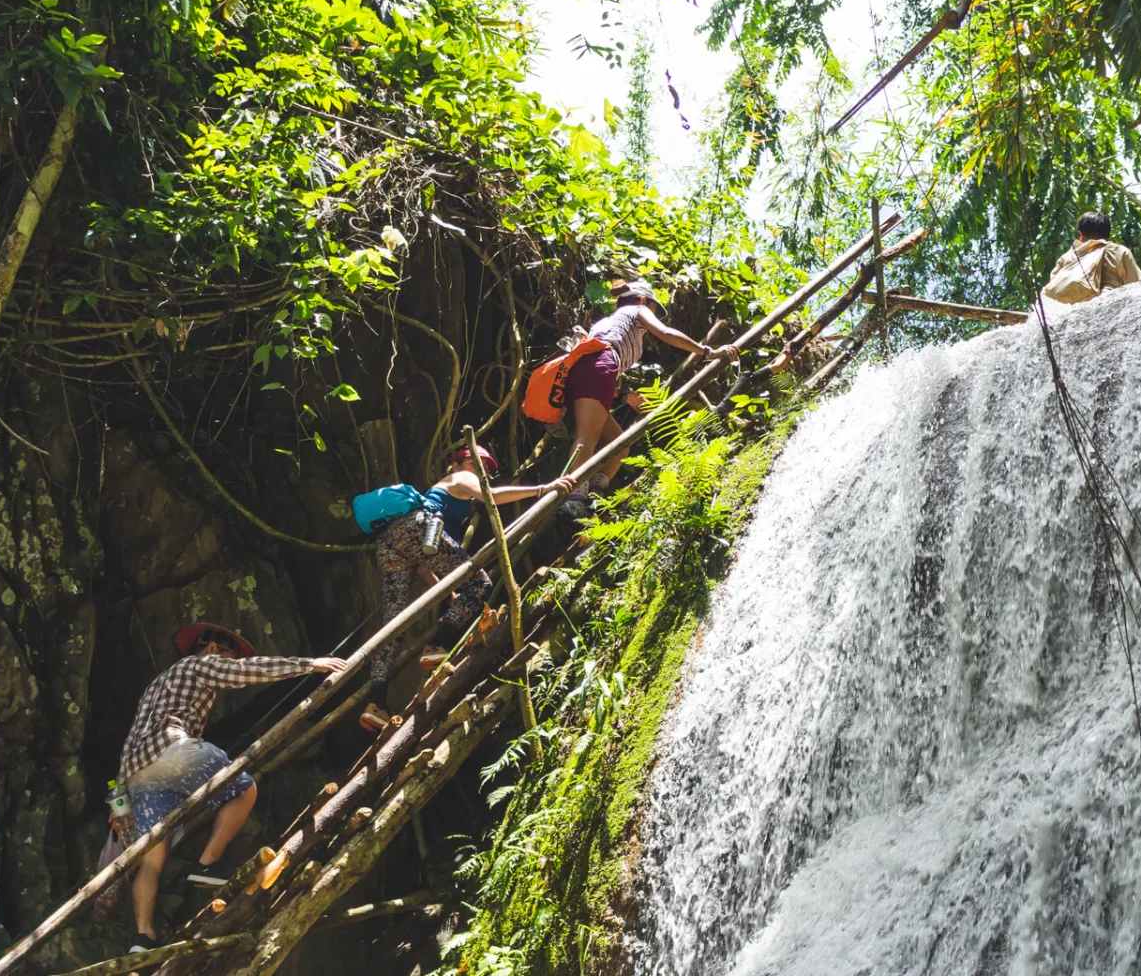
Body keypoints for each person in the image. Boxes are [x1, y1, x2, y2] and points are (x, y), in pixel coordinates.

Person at [118, 623, 347, 952]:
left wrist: (121, 798)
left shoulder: (157, 684)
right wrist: (309, 664)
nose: (228, 658)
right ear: (212, 648)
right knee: (242, 787)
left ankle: (142, 937)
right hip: (172, 750)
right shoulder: (199, 664)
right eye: (226, 652)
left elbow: (130, 743)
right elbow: (247, 670)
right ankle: (206, 865)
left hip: (138, 773)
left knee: (153, 858)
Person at [360, 444, 571, 731]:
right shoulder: (461, 477)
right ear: (462, 462)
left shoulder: (439, 489)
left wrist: (449, 593)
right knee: (480, 583)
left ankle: (377, 704)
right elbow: (492, 497)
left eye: (489, 469)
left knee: (395, 622)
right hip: (419, 528)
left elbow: (422, 565)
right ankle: (438, 645)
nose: (485, 472)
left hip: (389, 542)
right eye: (482, 464)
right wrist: (542, 490)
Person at [557, 280, 736, 517]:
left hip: (583, 374)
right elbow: (665, 333)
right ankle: (574, 497)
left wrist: (623, 394)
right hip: (599, 369)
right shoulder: (636, 310)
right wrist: (707, 352)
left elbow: (594, 367)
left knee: (619, 447)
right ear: (643, 300)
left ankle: (596, 494)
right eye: (654, 309)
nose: (654, 315)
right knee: (586, 436)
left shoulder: (606, 323)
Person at [1041, 211, 1141, 304]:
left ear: (1080, 234)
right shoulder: (1119, 251)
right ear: (1108, 235)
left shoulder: (1067, 258)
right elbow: (1139, 286)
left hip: (1073, 312)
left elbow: (1053, 291)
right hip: (1109, 305)